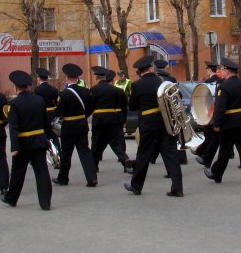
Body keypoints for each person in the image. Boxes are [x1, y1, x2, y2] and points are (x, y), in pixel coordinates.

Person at [124, 55, 183, 197]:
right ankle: (177, 188)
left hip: (148, 123)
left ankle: (136, 186)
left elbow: (132, 106)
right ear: (151, 68)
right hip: (165, 121)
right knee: (170, 154)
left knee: (143, 154)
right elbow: (178, 96)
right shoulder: (162, 81)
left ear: (140, 71)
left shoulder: (137, 85)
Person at [204, 58, 241, 185]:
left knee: (224, 150)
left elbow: (220, 108)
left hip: (229, 123)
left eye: (222, 69)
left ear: (226, 70)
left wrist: (216, 123)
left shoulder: (224, 87)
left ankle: (216, 174)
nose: (221, 72)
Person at [1, 70, 53, 210]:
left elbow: (14, 128)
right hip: (39, 140)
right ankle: (45, 202)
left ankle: (11, 198)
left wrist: (14, 148)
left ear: (16, 87)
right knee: (42, 172)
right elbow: (45, 122)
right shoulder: (39, 100)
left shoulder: (14, 104)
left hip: (23, 143)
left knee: (18, 172)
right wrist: (48, 138)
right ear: (29, 86)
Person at [54, 63, 96, 187]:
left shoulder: (64, 94)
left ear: (67, 78)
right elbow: (90, 108)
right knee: (85, 152)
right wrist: (82, 117)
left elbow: (59, 112)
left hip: (69, 127)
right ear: (78, 78)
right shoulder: (85, 91)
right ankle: (92, 178)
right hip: (82, 125)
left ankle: (63, 178)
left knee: (66, 153)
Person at [89, 67, 130, 172]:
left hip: (99, 120)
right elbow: (124, 107)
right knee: (116, 143)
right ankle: (125, 162)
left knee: (96, 144)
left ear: (96, 77)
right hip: (113, 120)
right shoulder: (117, 90)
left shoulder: (93, 90)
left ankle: (94, 166)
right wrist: (124, 120)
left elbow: (90, 107)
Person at [194, 61, 222, 169]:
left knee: (211, 135)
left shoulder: (207, 82)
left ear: (209, 70)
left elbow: (203, 98)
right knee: (214, 137)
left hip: (210, 111)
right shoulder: (220, 81)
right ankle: (203, 156)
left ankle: (204, 156)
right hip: (218, 111)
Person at [34, 67, 61, 168]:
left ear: (39, 78)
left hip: (42, 115)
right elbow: (56, 103)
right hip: (52, 115)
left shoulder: (37, 90)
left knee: (43, 137)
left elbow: (37, 104)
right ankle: (58, 156)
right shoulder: (54, 90)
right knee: (54, 137)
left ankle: (42, 158)